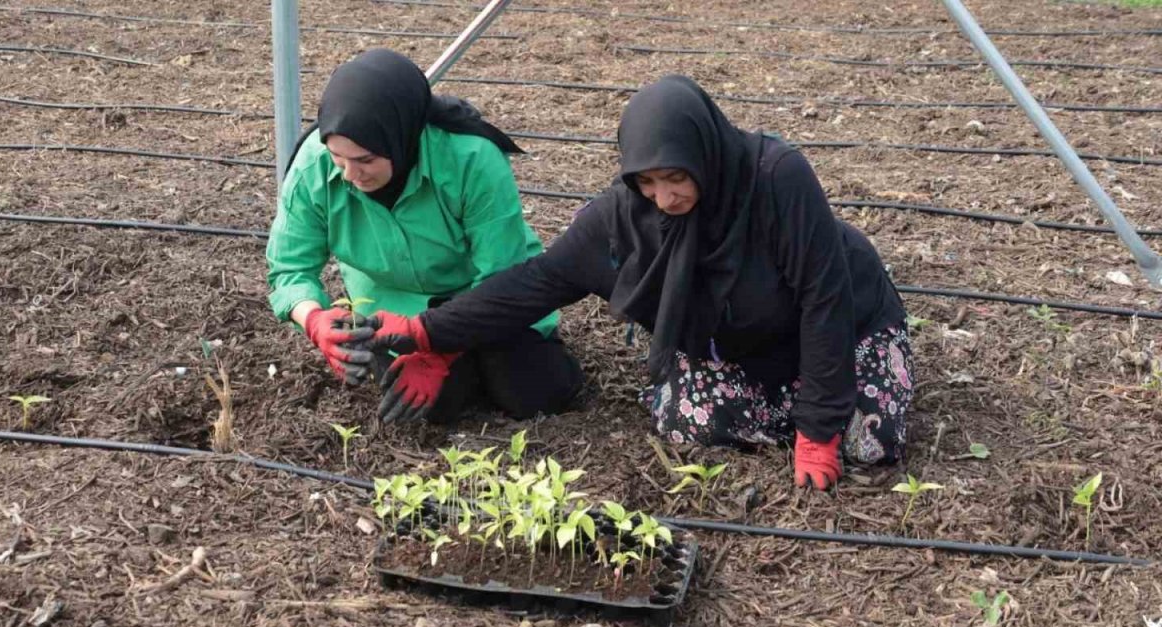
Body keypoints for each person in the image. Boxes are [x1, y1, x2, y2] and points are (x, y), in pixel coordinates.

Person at [369, 75, 912, 490]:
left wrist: (818, 429)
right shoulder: (622, 220)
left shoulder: (774, 180)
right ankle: (788, 401)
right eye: (647, 182)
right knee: (683, 423)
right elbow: (536, 283)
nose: (665, 198)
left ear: (705, 152)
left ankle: (809, 403)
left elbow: (826, 298)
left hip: (847, 324)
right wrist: (429, 332)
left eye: (677, 177)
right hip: (742, 346)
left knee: (868, 443)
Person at [265, 48, 583, 423]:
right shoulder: (312, 167)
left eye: (366, 160)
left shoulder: (471, 159)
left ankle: (485, 361)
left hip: (486, 300)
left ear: (402, 136)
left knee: (534, 393)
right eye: (339, 158)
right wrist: (315, 321)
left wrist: (438, 352)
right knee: (432, 408)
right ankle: (467, 370)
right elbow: (288, 270)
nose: (351, 174)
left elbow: (501, 275)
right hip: (395, 316)